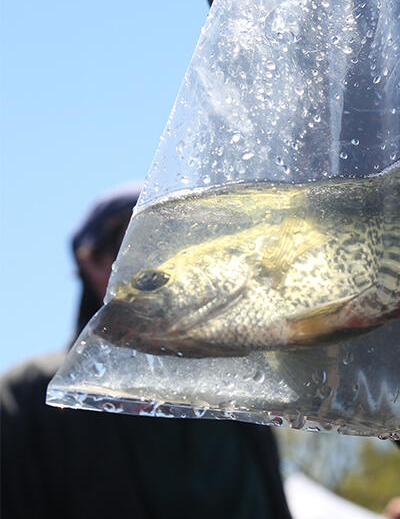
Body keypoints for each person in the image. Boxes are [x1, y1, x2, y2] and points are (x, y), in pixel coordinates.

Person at [0, 184, 292, 519]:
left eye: (189, 241)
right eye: (148, 243)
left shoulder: (235, 397)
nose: (176, 258)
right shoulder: (34, 394)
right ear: (93, 261)